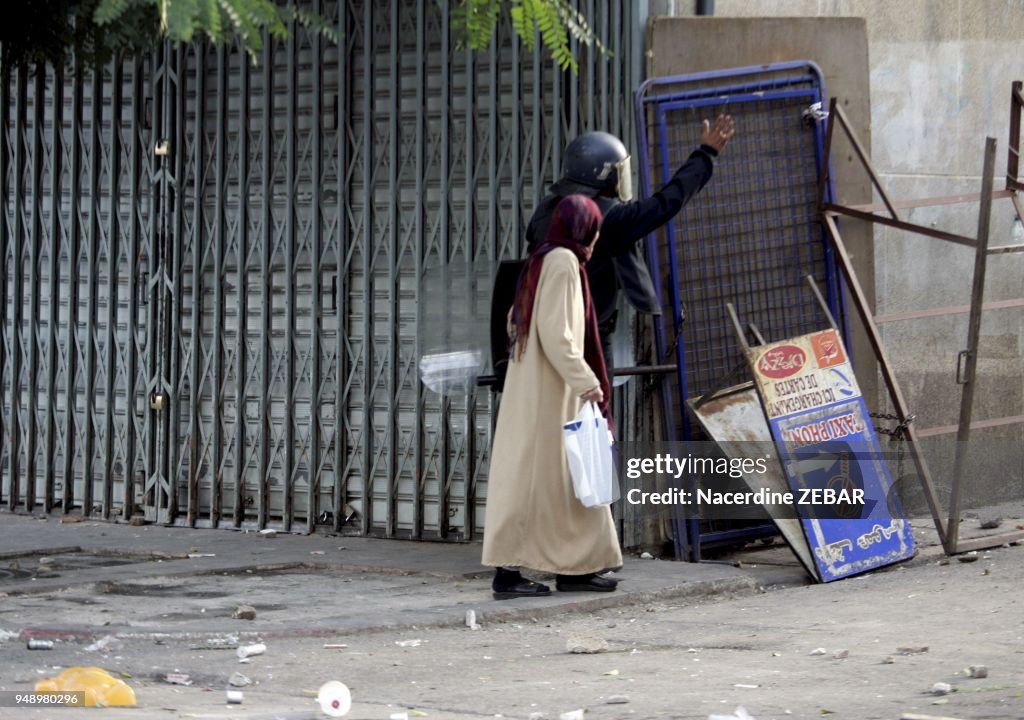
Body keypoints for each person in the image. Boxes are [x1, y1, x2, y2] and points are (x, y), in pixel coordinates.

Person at [482, 194, 621, 599]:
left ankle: (577, 567)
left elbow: (515, 320)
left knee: (570, 480)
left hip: (543, 386)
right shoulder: (562, 262)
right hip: (552, 390)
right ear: (583, 229)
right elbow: (556, 332)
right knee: (541, 479)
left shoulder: (545, 258)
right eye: (594, 229)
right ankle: (507, 575)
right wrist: (587, 380)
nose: (596, 238)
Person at [524, 115, 736, 367]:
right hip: (588, 337)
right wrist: (706, 154)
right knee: (596, 402)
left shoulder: (545, 210)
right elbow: (666, 203)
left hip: (544, 330)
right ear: (607, 175)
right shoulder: (609, 218)